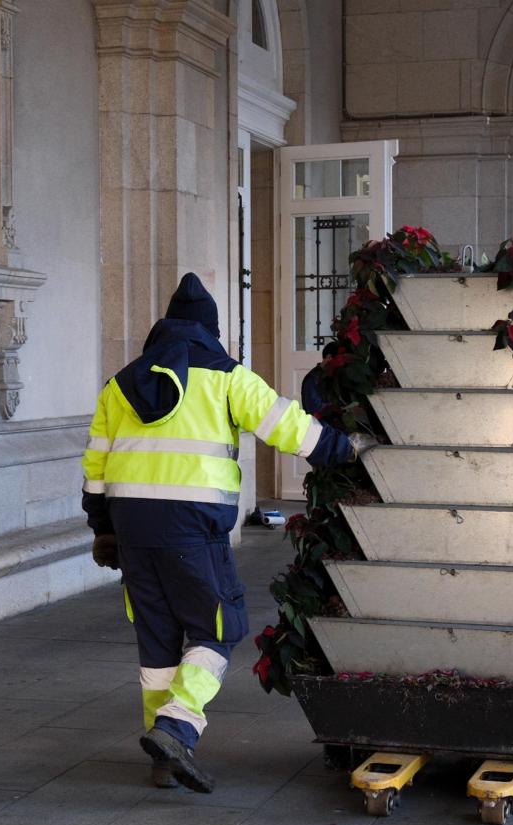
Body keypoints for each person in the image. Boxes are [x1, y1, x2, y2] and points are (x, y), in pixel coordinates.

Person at [82, 273, 356, 793]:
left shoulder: (120, 384)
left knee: (158, 640)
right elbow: (291, 428)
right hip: (193, 530)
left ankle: (164, 756)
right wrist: (347, 449)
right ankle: (177, 726)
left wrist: (103, 531)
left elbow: (95, 467)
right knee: (217, 630)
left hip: (133, 531)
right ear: (210, 331)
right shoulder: (228, 377)